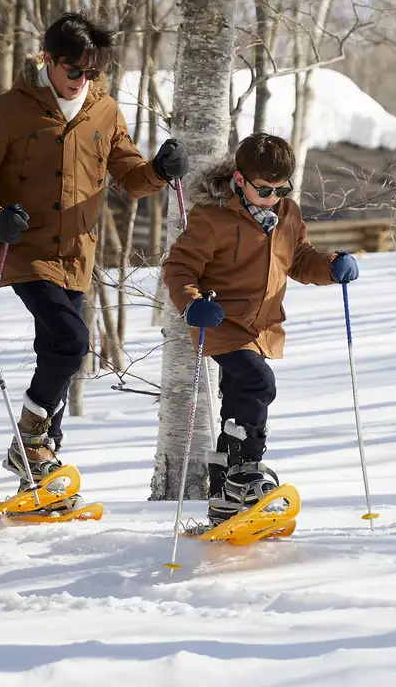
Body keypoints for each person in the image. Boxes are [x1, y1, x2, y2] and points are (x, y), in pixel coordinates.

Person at [0, 13, 188, 491]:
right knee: (71, 342)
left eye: (94, 71)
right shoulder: (10, 110)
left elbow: (131, 177)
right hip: (26, 250)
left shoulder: (105, 112)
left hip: (78, 255)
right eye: (75, 70)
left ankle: (41, 467)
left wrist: (160, 170)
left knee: (53, 352)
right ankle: (29, 443)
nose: (84, 80)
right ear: (48, 60)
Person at [161, 132, 359, 525]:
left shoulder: (287, 215)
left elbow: (299, 260)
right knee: (258, 384)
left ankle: (224, 489)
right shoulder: (212, 218)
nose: (273, 197)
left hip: (262, 326)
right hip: (219, 321)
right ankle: (245, 470)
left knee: (239, 400)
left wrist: (332, 265)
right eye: (264, 189)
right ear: (239, 180)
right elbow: (178, 267)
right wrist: (191, 303)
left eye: (281, 188)